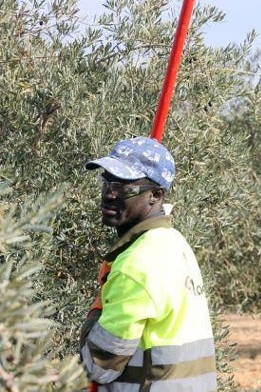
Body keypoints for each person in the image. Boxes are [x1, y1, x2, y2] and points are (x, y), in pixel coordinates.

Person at [79, 136, 216, 391]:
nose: (109, 194)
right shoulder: (175, 243)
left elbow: (98, 366)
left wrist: (97, 307)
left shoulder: (136, 263)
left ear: (155, 195)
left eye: (123, 187)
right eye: (107, 181)